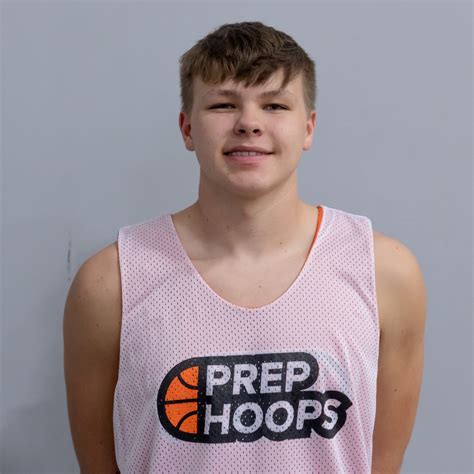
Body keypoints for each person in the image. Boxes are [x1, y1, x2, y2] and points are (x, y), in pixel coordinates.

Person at [63, 21, 427, 473]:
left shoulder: (384, 272)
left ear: (308, 128)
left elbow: (383, 463)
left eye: (274, 105)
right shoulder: (111, 282)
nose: (249, 123)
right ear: (187, 128)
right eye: (223, 104)